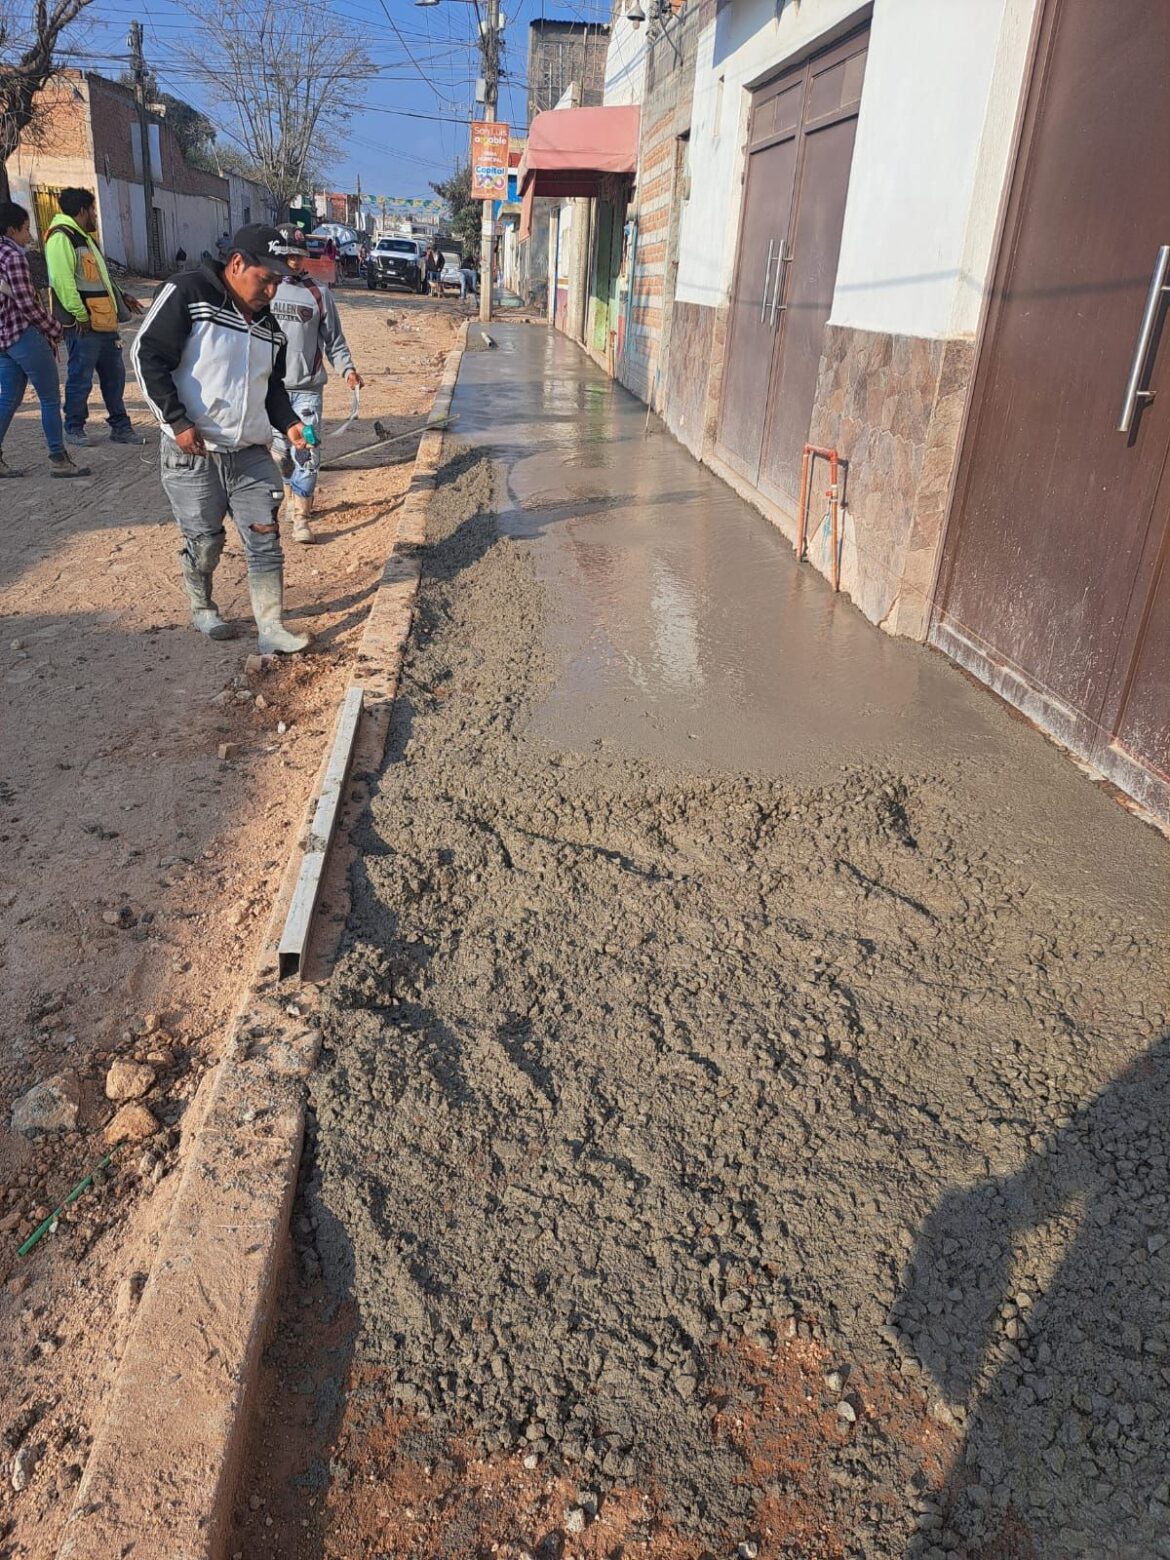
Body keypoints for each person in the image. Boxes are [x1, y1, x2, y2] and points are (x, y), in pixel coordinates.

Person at [130, 225, 313, 654]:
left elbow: (272, 390)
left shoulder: (270, 329)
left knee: (265, 535)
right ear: (236, 264)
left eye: (276, 282)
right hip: (193, 452)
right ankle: (202, 604)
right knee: (206, 541)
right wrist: (176, 420)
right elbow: (147, 355)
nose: (270, 291)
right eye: (263, 279)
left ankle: (271, 626)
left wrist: (289, 424)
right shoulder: (189, 294)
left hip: (249, 453)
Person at [268, 223, 363, 544]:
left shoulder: (318, 294)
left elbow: (334, 341)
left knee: (307, 452)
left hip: (307, 392)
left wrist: (347, 370)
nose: (294, 261)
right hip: (270, 392)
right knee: (279, 454)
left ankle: (300, 517)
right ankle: (289, 489)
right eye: (288, 255)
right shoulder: (263, 290)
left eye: (299, 255)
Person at [45, 187, 146, 449]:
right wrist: (80, 314)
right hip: (84, 326)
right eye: (92, 210)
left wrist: (122, 296)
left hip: (104, 323)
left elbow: (102, 276)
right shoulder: (61, 238)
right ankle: (74, 427)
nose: (95, 216)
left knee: (115, 376)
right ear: (82, 211)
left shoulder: (85, 239)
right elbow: (63, 283)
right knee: (80, 377)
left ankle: (120, 427)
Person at [0, 200, 89, 479]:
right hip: (23, 335)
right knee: (50, 398)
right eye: (26, 229)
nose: (29, 235)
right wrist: (55, 328)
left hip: (3, 339)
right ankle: (58, 459)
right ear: (12, 230)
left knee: (9, 399)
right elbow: (28, 305)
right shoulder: (14, 258)